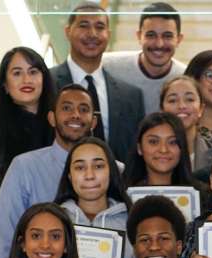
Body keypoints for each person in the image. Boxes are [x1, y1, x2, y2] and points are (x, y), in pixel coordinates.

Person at [0, 83, 96, 258]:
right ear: (51, 118)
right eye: (66, 108)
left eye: (83, 109)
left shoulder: (116, 170)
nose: (75, 115)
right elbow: (6, 236)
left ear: (94, 122)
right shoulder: (23, 167)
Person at [50, 1, 145, 164]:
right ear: (68, 31)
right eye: (84, 25)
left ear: (108, 34)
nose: (92, 34)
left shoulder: (131, 96)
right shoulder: (47, 84)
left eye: (100, 27)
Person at [54, 136, 134, 258]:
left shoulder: (133, 220)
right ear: (69, 176)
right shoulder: (54, 220)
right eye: (80, 168)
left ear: (111, 172)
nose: (89, 175)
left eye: (98, 166)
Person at [0, 46, 55, 188]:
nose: (26, 79)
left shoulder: (60, 119)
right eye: (17, 73)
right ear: (5, 84)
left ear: (44, 79)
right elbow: (9, 173)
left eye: (33, 72)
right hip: (20, 206)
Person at [103, 2, 187, 114]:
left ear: (179, 39)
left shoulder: (186, 77)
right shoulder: (108, 65)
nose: (159, 44)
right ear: (139, 36)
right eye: (151, 35)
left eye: (167, 36)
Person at [123, 112, 205, 195]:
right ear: (139, 148)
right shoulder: (123, 196)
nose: (163, 150)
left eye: (172, 142)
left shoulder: (201, 196)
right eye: (153, 142)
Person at [161, 76, 212, 172]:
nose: (181, 106)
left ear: (201, 109)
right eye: (172, 100)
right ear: (162, 110)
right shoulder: (151, 154)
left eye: (189, 99)